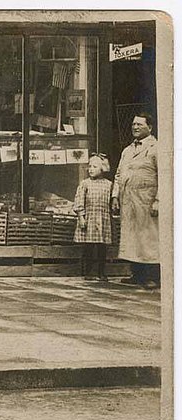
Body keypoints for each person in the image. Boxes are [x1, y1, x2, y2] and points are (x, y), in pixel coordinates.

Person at [111, 113, 159, 289]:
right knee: (132, 238)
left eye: (139, 124)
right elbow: (118, 175)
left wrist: (158, 201)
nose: (135, 127)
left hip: (147, 200)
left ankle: (152, 276)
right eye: (133, 124)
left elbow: (165, 175)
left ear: (150, 127)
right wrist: (115, 196)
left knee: (148, 238)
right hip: (128, 201)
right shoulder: (127, 150)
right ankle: (136, 274)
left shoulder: (156, 148)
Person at [73, 154, 113, 282]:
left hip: (103, 219)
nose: (91, 169)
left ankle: (102, 272)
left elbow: (112, 202)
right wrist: (81, 217)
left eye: (94, 167)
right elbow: (79, 201)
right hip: (90, 218)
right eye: (89, 166)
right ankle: (89, 271)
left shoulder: (109, 185)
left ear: (102, 169)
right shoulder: (85, 184)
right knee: (89, 247)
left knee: (102, 247)